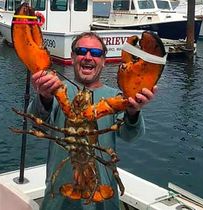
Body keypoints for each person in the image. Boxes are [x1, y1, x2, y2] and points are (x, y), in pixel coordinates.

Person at [28, 32, 158, 210]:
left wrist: (133, 111)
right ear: (72, 57)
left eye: (96, 53)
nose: (88, 57)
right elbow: (36, 124)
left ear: (104, 60)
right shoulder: (57, 91)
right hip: (58, 201)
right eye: (81, 51)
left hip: (104, 202)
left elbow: (130, 136)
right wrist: (44, 97)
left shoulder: (116, 98)